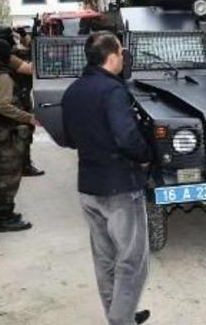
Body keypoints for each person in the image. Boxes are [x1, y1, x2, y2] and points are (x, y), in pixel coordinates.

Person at [62, 32, 152, 325]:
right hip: (120, 188)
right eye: (122, 54)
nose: (124, 58)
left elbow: (69, 138)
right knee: (132, 260)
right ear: (112, 56)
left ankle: (119, 313)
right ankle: (121, 320)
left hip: (88, 186)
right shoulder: (113, 91)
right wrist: (146, 155)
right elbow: (127, 138)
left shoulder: (73, 90)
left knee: (105, 258)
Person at [0, 39, 36, 232]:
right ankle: (5, 216)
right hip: (4, 131)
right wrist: (28, 117)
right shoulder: (2, 76)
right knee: (8, 174)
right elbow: (2, 105)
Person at [12, 26, 45, 177]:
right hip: (17, 100)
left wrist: (26, 37)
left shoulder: (7, 53)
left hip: (20, 98)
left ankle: (22, 164)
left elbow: (32, 51)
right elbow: (30, 67)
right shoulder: (9, 56)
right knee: (23, 132)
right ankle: (23, 166)